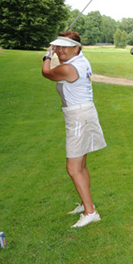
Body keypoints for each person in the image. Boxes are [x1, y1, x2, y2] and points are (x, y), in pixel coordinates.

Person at [42, 31, 106, 228]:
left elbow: (46, 72)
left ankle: (90, 212)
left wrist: (47, 56)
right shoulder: (79, 61)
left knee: (72, 167)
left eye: (64, 47)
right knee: (81, 166)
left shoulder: (70, 68)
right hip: (81, 113)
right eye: (58, 47)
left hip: (79, 117)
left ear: (76, 48)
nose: (60, 51)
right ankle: (87, 203)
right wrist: (55, 54)